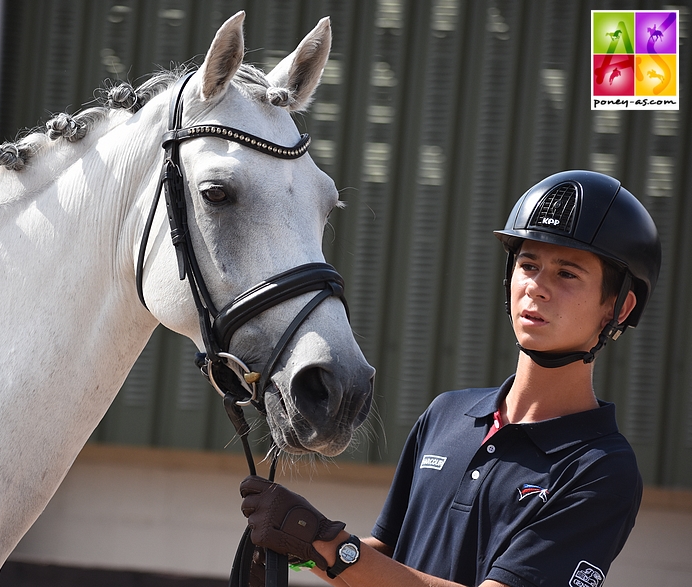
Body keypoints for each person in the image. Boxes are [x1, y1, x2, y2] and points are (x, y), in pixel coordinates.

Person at [239, 170, 661, 587]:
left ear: (619, 308)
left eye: (567, 274)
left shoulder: (602, 470)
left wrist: (326, 542)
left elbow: (354, 560)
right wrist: (297, 549)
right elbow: (385, 558)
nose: (536, 287)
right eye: (528, 264)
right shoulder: (447, 413)